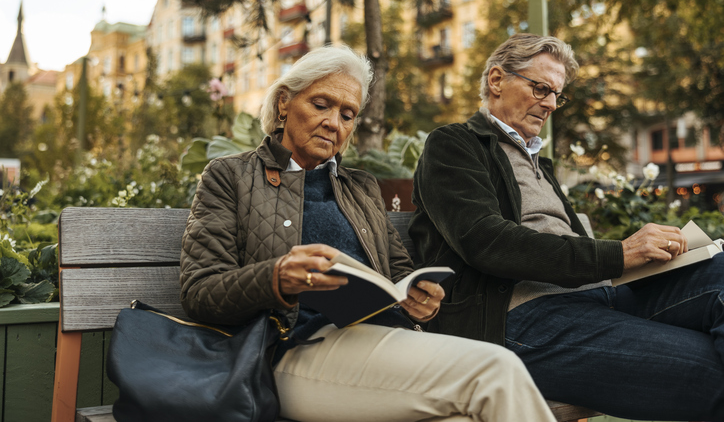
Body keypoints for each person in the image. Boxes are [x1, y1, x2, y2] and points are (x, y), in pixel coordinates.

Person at [180, 45, 557, 422]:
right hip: (290, 353)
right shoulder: (231, 176)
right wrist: (276, 278)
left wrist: (418, 299)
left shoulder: (359, 188)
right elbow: (200, 292)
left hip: (380, 346)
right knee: (495, 369)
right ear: (283, 104)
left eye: (347, 114)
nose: (334, 123)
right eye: (321, 104)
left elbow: (397, 273)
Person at [409, 33, 724, 421]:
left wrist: (653, 253)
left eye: (557, 94)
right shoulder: (455, 145)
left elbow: (572, 244)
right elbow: (486, 241)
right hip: (521, 319)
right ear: (496, 80)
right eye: (541, 88)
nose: (551, 104)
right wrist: (621, 252)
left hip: (597, 297)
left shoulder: (540, 162)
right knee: (711, 372)